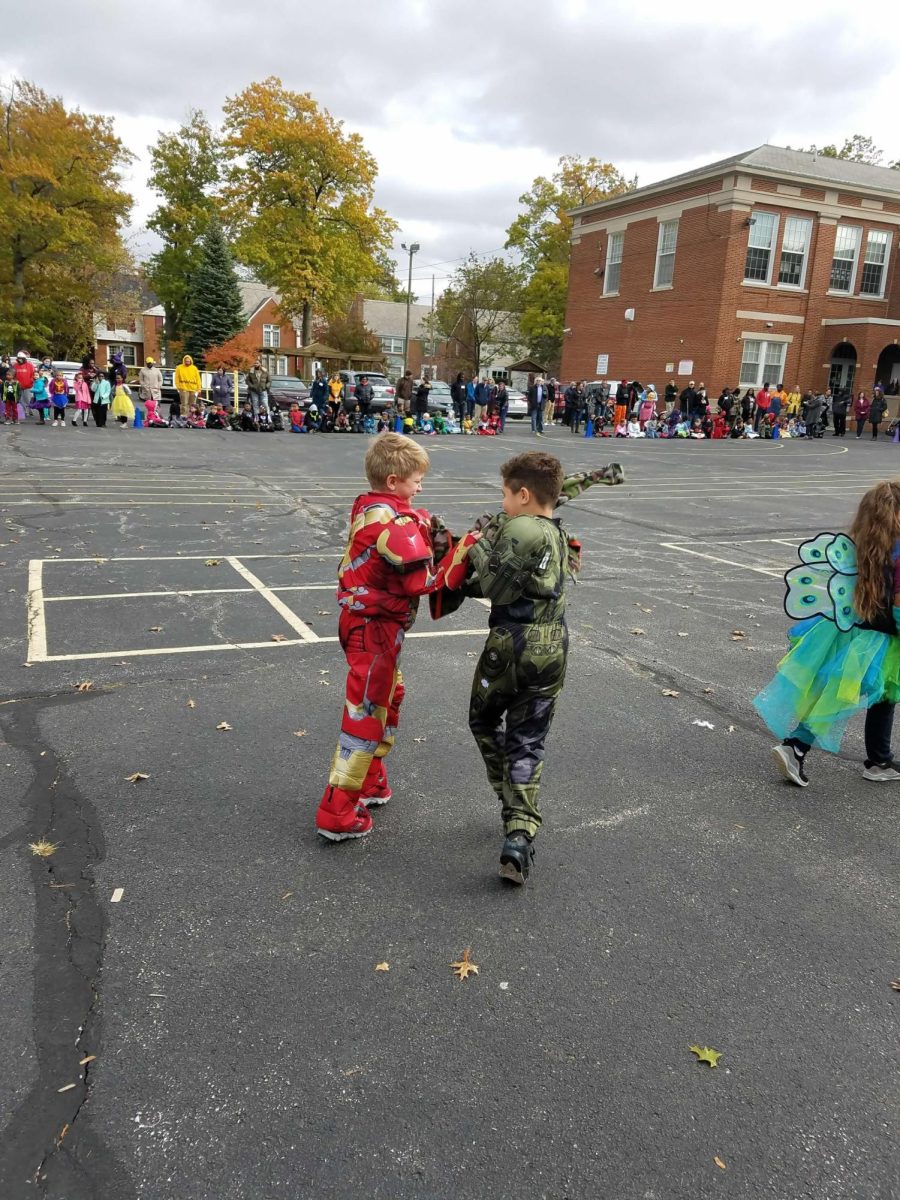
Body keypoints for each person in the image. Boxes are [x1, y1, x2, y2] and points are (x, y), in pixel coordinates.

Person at [314, 433, 478, 841]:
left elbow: (416, 533)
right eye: (415, 479)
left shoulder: (374, 508)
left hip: (374, 626)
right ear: (392, 480)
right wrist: (466, 550)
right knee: (366, 714)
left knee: (388, 698)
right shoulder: (393, 521)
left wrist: (436, 533)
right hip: (375, 628)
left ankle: (369, 781)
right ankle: (337, 812)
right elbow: (423, 583)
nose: (420, 485)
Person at [464, 452, 575, 884]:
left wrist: (475, 545)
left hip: (512, 642)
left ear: (524, 494)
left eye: (506, 495)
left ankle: (512, 804)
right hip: (554, 646)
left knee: (484, 718)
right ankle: (519, 835)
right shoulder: (555, 533)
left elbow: (490, 584)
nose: (503, 504)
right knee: (529, 739)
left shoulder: (523, 527)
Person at [756, 481, 900, 787]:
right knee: (868, 696)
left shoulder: (861, 543)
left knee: (858, 695)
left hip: (850, 631)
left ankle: (878, 760)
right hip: (883, 637)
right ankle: (797, 745)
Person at [14, 352, 36, 417]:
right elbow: (13, 374)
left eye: (21, 358)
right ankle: (24, 412)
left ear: (24, 359)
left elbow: (33, 374)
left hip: (28, 386)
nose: (20, 360)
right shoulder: (15, 365)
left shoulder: (29, 365)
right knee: (20, 400)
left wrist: (31, 380)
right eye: (19, 358)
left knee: (28, 399)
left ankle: (30, 409)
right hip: (18, 386)